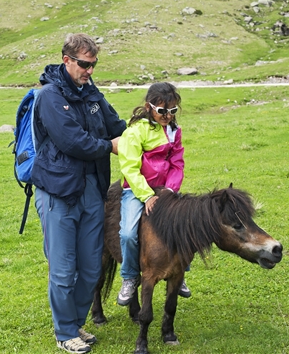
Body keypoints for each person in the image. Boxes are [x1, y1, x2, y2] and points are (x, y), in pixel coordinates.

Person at [32, 33, 126, 353]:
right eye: (84, 64)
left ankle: (75, 323)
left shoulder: (93, 95)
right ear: (67, 60)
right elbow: (72, 142)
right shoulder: (49, 96)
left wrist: (150, 132)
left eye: (93, 64)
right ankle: (64, 333)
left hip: (91, 189)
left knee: (90, 268)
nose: (89, 70)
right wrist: (110, 147)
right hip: (57, 191)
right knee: (62, 269)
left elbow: (118, 127)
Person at [116, 82, 191, 307]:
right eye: (162, 111)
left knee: (185, 226)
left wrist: (170, 190)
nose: (167, 116)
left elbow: (177, 163)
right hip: (137, 190)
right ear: (149, 107)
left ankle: (181, 272)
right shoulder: (134, 132)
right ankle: (130, 276)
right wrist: (147, 196)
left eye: (172, 111)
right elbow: (129, 167)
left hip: (166, 190)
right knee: (128, 232)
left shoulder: (174, 132)